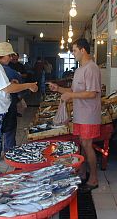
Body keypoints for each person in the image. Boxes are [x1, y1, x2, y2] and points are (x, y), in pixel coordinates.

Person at [0, 42, 38, 181]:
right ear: (3, 55)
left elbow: (2, 85)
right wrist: (28, 85)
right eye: (9, 55)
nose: (11, 58)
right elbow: (7, 88)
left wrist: (12, 83)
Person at [48, 38, 101, 193]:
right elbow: (73, 92)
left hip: (89, 116)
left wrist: (71, 97)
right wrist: (58, 89)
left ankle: (94, 179)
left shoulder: (91, 68)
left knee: (87, 145)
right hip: (79, 115)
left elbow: (92, 93)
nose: (73, 53)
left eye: (75, 50)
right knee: (82, 145)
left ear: (83, 50)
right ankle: (83, 173)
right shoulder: (79, 70)